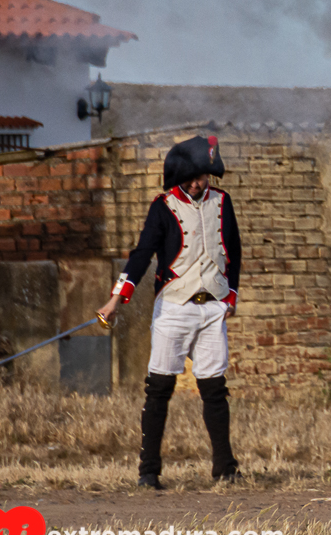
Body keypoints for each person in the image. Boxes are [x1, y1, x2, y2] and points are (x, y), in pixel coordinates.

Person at [98, 135, 241, 490]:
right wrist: (117, 299)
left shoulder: (223, 202)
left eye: (203, 176)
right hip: (175, 307)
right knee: (159, 388)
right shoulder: (162, 207)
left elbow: (234, 250)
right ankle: (149, 470)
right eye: (191, 177)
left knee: (214, 389)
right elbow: (141, 254)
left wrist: (231, 297)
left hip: (213, 307)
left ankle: (225, 467)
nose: (197, 183)